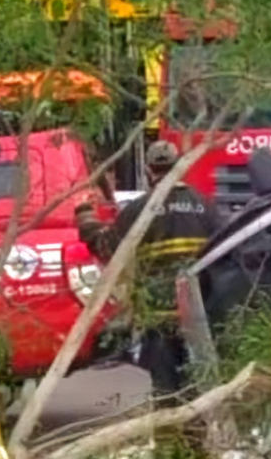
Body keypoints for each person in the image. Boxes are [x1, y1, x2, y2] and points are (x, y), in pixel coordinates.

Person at [75, 141, 218, 394]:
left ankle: (170, 429)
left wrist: (85, 217)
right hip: (201, 315)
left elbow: (106, 249)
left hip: (157, 319)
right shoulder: (206, 207)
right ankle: (198, 427)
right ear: (179, 167)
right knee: (203, 383)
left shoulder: (137, 211)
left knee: (165, 387)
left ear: (149, 171)